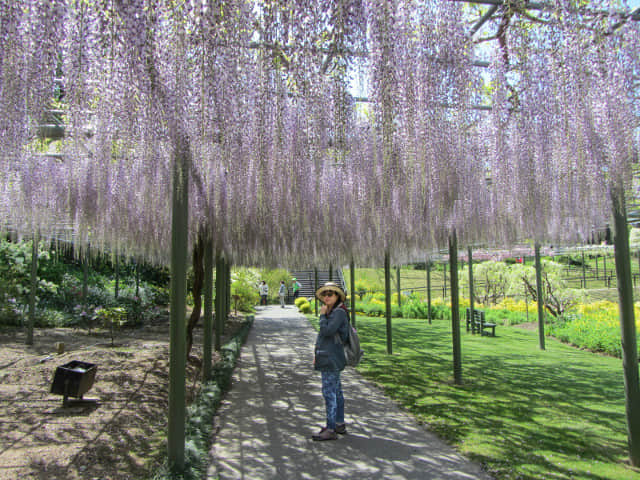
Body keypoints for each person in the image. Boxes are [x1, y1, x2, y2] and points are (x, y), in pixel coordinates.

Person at [312, 281, 349, 441]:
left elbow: (327, 331)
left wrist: (321, 316)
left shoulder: (338, 313)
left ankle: (331, 428)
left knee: (329, 393)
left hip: (331, 358)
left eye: (330, 294)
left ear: (337, 296)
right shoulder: (333, 311)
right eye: (325, 294)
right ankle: (339, 423)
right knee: (337, 391)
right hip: (329, 356)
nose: (327, 297)